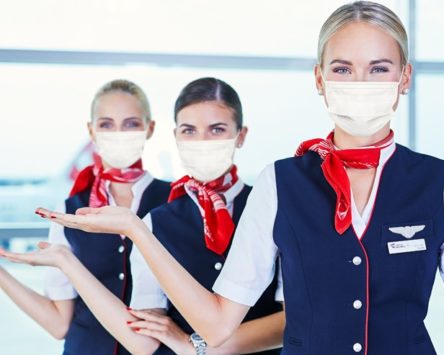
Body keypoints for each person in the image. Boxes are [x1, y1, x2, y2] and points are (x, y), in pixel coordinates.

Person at [30, 3, 444, 354]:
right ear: (320, 81)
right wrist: (134, 231)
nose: (361, 83)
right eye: (343, 68)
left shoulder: (443, 184)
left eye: (379, 68)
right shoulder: (282, 182)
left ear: (403, 81)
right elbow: (221, 323)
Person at [3, 77, 285, 354]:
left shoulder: (270, 206)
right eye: (189, 130)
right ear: (175, 136)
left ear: (241, 135)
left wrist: (196, 348)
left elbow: (294, 315)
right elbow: (139, 339)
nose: (202, 141)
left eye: (217, 129)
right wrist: (65, 262)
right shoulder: (156, 220)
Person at [0, 79, 169, 354]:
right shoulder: (69, 210)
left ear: (149, 129)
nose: (118, 133)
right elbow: (58, 325)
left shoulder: (175, 202)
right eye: (106, 124)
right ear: (91, 131)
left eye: (130, 124)